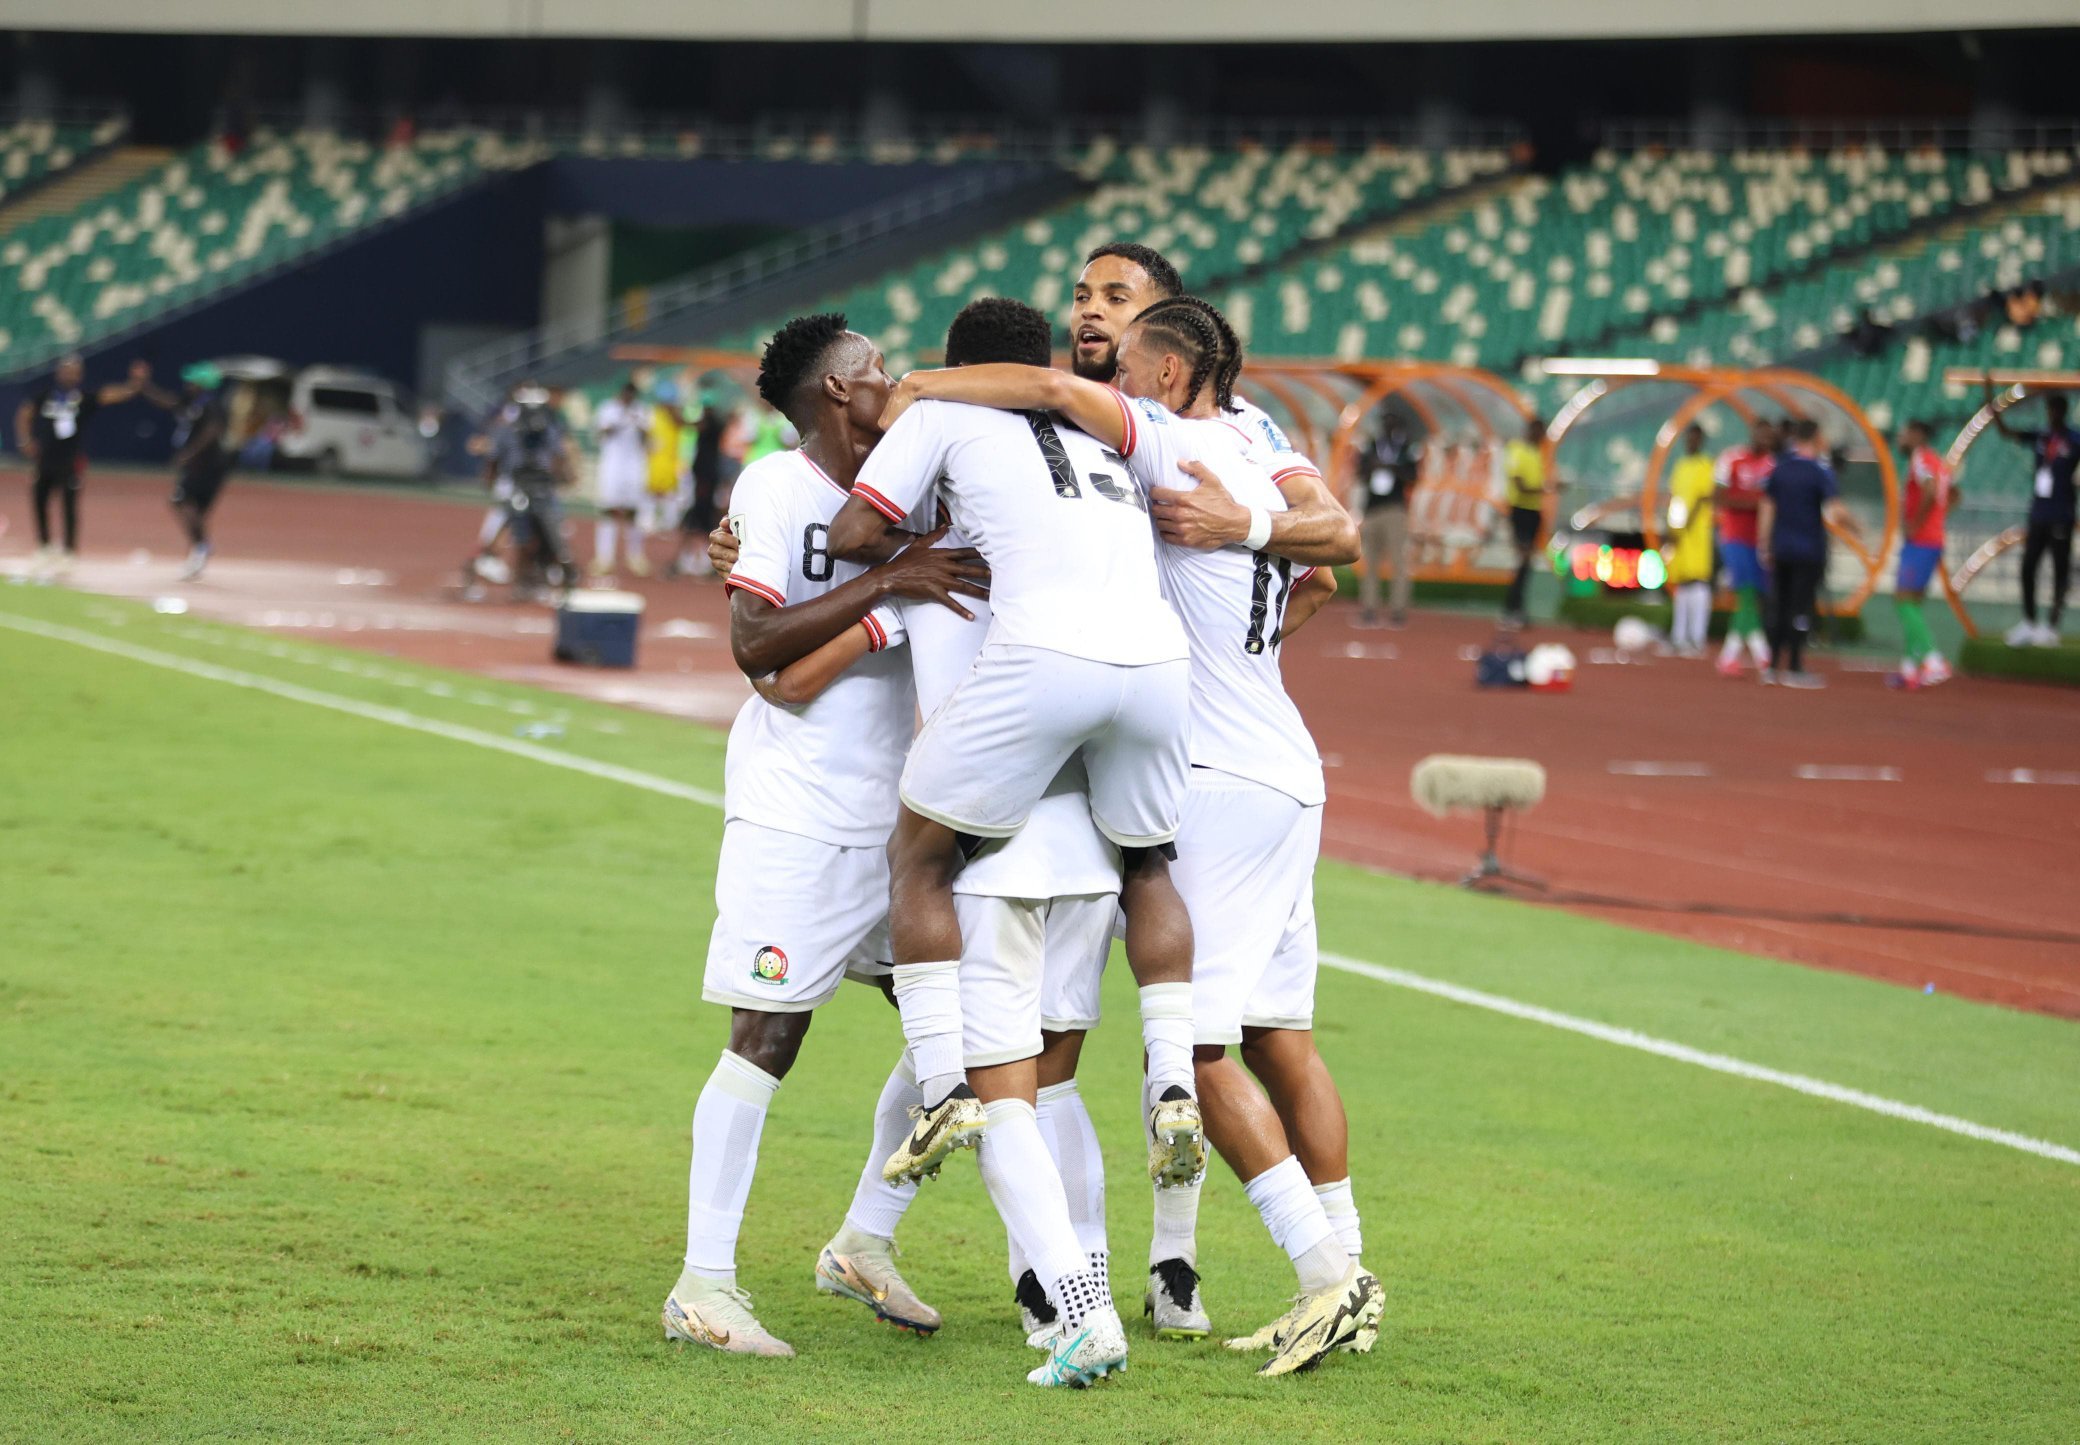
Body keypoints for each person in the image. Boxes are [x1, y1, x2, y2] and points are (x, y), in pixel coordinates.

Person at [881, 294, 1382, 1377]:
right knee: (1269, 1032)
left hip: (1212, 769)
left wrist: (921, 386)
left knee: (1198, 1051)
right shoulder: (1256, 451)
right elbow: (1330, 560)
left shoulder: (1153, 437)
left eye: (1116, 319)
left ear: (1159, 373)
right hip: (1283, 759)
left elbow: (1058, 397)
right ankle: (1220, 1266)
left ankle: (1326, 1276)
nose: (1094, 339)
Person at [658, 313, 988, 1362]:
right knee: (768, 1035)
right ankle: (703, 1283)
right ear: (841, 391)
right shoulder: (773, 487)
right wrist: (887, 584)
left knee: (964, 1039)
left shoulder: (920, 482)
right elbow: (755, 646)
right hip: (799, 812)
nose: (894, 382)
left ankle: (863, 1239)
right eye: (878, 371)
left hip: (904, 824)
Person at [14, 353, 151, 570]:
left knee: (69, 505)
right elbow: (24, 412)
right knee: (39, 500)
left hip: (70, 461)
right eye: (66, 370)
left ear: (80, 375)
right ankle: (44, 547)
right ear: (59, 372)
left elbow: (113, 394)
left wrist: (135, 384)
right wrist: (25, 439)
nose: (70, 375)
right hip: (45, 459)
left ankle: (69, 551)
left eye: (74, 371)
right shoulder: (46, 396)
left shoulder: (84, 399)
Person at [1757, 419, 1863, 689]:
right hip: (1808, 549)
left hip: (1781, 547)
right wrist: (1858, 528)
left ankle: (1770, 666)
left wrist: (1764, 543)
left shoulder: (1780, 468)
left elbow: (1767, 507)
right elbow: (1835, 510)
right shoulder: (1820, 471)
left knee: (1777, 605)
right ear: (1816, 437)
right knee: (1800, 608)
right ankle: (1794, 665)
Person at [1985, 386, 2077, 646]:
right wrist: (1992, 405)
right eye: (2050, 409)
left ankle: (2052, 626)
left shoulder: (2074, 439)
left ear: (2063, 412)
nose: (2052, 414)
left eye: (2056, 409)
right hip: (2039, 513)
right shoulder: (2041, 436)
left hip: (2062, 514)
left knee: (2060, 570)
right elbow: (2006, 432)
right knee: (2028, 568)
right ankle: (2029, 622)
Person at [1893, 420, 1958, 687]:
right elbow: (1954, 494)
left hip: (1921, 541)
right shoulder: (1938, 461)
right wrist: (1937, 520)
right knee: (1913, 603)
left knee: (1903, 600)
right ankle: (1910, 667)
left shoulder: (1921, 459)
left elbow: (1931, 490)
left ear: (1917, 435)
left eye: (1904, 433)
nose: (1900, 438)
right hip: (1933, 540)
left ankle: (1933, 659)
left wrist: (1916, 524)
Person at [1713, 417, 1778, 676]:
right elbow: (1719, 498)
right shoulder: (1731, 459)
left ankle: (1738, 655)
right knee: (1746, 593)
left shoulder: (1773, 466)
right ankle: (1759, 654)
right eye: (1760, 433)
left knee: (1753, 597)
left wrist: (1751, 502)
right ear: (1752, 433)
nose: (1764, 439)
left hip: (1761, 540)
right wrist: (1758, 503)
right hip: (1735, 537)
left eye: (1768, 436)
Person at [1356, 415, 1422, 628]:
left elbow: (1413, 476)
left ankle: (1398, 609)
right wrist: (1374, 466)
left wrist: (1393, 468)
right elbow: (1360, 473)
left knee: (1398, 561)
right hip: (1372, 509)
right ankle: (1369, 608)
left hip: (1395, 508)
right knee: (1371, 562)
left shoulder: (1406, 449)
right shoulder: (1372, 446)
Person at [590, 380, 651, 580]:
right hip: (612, 466)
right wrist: (621, 421)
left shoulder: (641, 411)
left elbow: (647, 439)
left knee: (633, 512)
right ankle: (604, 557)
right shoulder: (608, 409)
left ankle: (635, 555)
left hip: (633, 466)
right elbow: (602, 433)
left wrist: (638, 424)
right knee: (609, 510)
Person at [1665, 424, 1717, 657]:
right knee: (1683, 581)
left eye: (1696, 438)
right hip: (1682, 532)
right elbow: (1676, 499)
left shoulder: (1706, 465)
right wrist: (1674, 527)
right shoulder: (1680, 466)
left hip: (1698, 532)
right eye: (1689, 438)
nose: (1691, 442)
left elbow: (1704, 497)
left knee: (1698, 580)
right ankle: (1679, 636)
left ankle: (1697, 637)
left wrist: (1686, 523)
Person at [1500, 416, 1548, 626]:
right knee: (1522, 560)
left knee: (1526, 563)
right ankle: (1511, 609)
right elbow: (1519, 484)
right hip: (1520, 511)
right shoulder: (1517, 450)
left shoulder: (1536, 452)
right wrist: (1546, 489)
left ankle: (1515, 608)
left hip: (1533, 511)